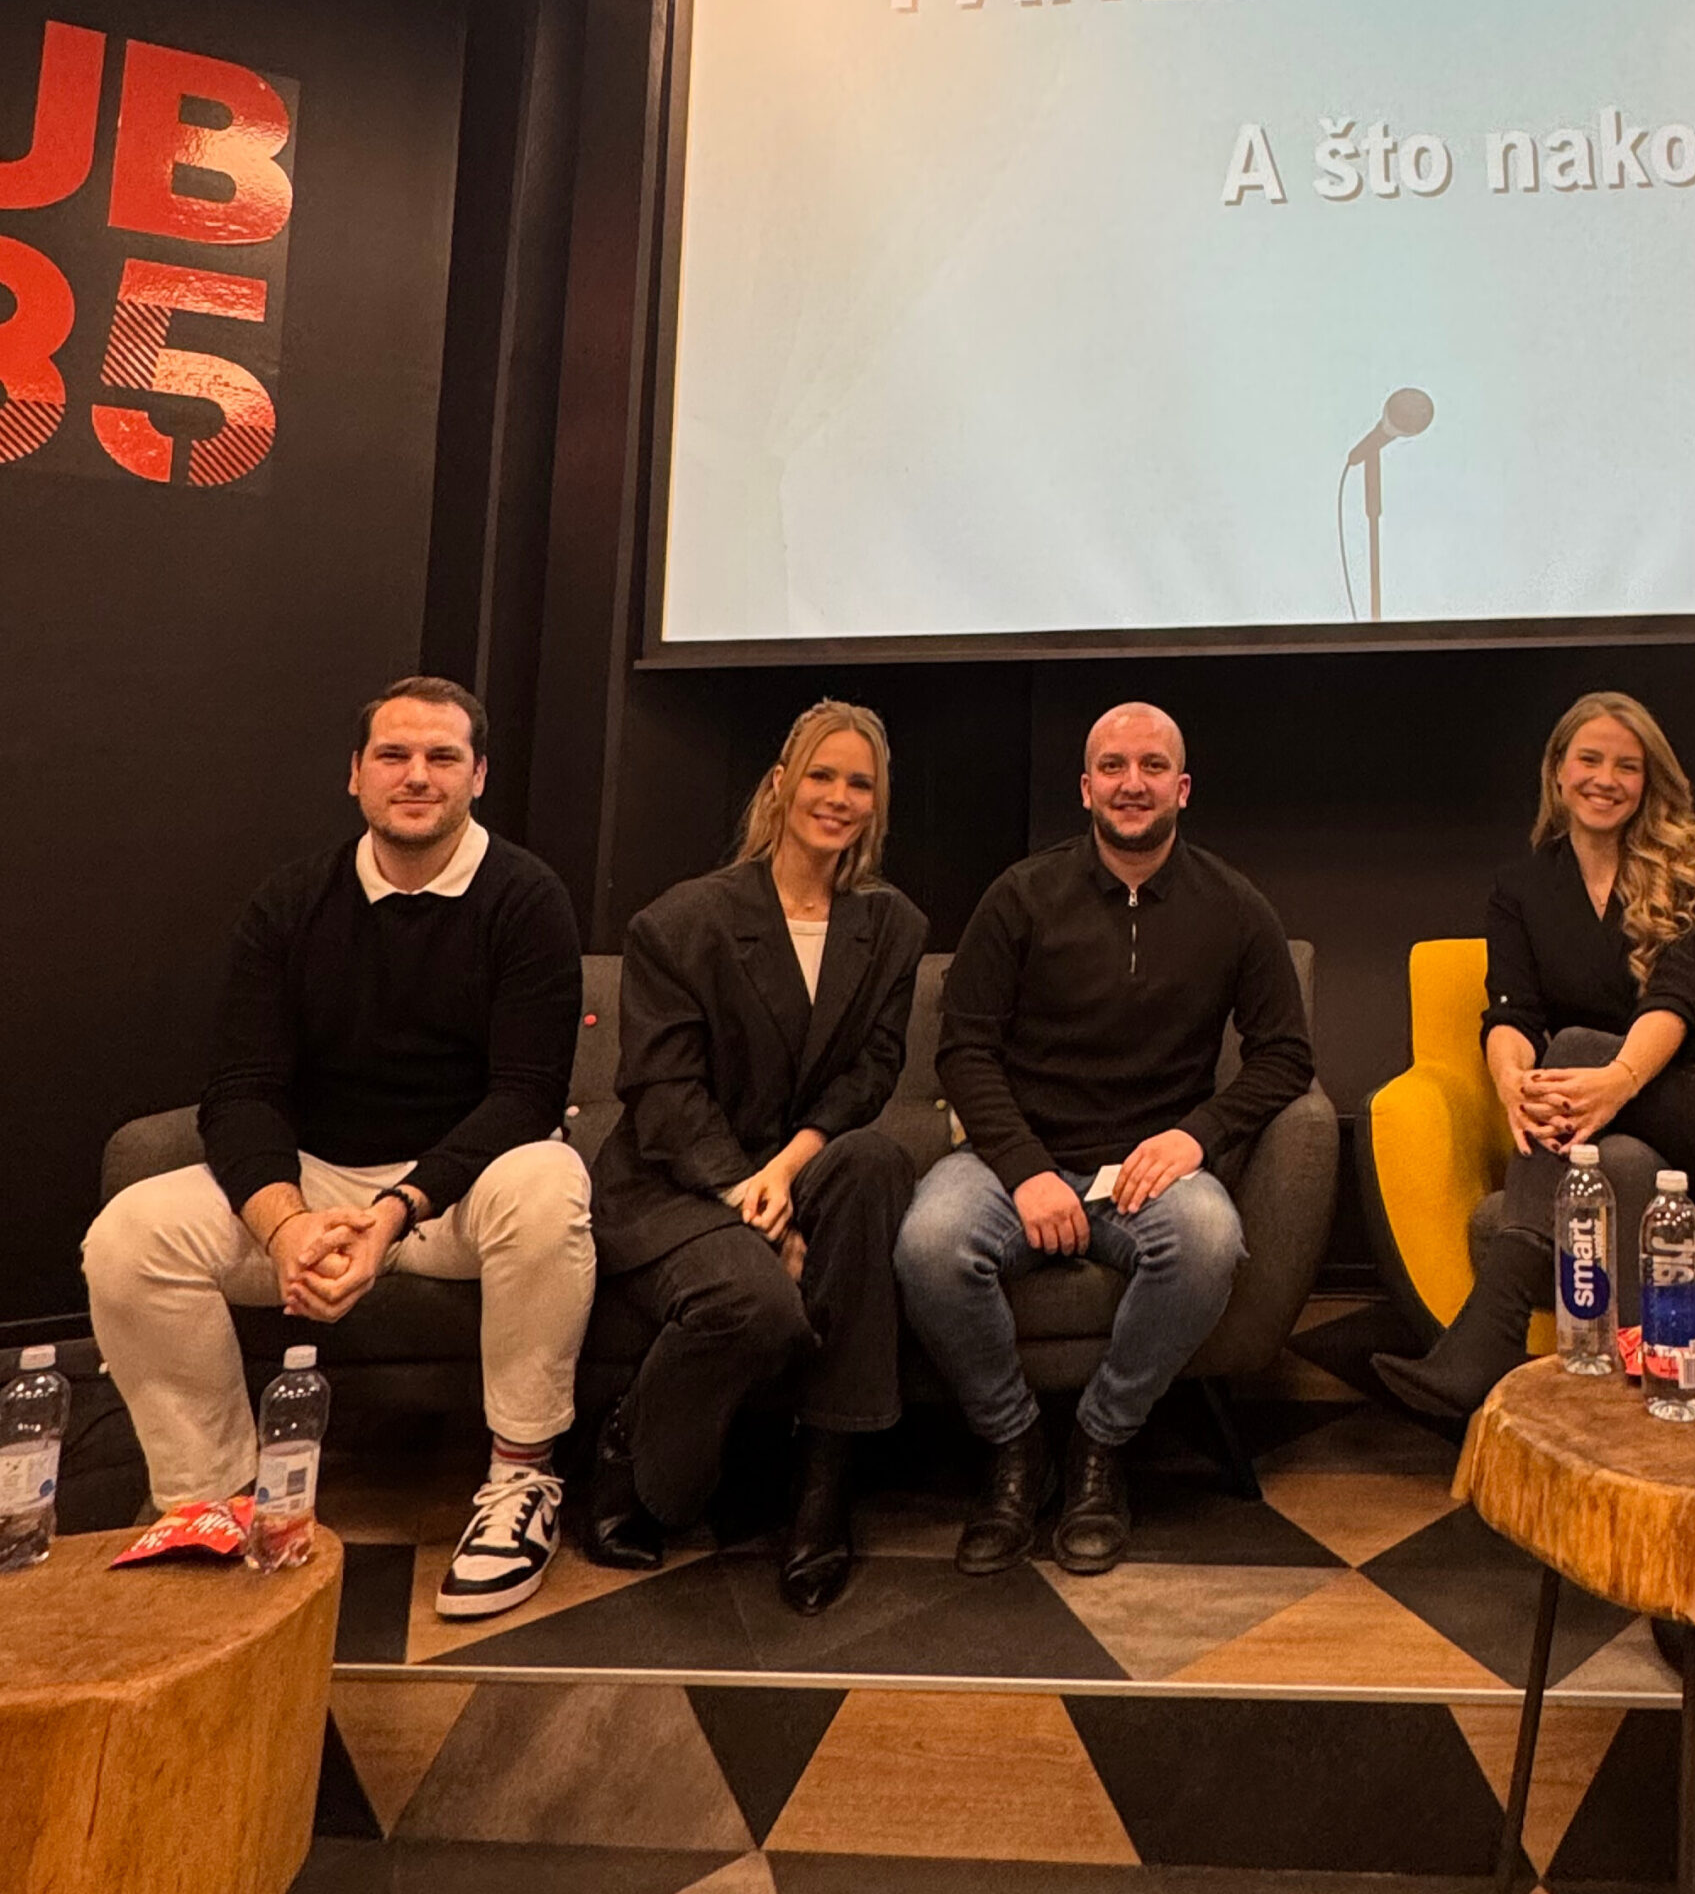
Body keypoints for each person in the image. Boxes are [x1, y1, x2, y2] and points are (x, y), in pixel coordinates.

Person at [85, 677, 593, 1618]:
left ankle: (521, 1479)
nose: (417, 775)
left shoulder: (527, 898)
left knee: (549, 1180)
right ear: (354, 773)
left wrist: (394, 1213)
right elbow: (240, 1093)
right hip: (312, 1184)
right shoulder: (288, 905)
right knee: (129, 1233)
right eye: (393, 755)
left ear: (478, 775)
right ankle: (214, 1502)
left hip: (455, 1193)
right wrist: (284, 1230)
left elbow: (526, 1096)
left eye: (443, 757)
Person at [895, 703, 1313, 1578]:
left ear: (1183, 788)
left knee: (1208, 1239)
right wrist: (1025, 1170)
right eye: (1114, 767)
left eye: (1153, 766)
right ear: (1086, 787)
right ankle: (1015, 1446)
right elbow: (962, 1049)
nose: (1133, 783)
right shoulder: (1019, 896)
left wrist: (1199, 1137)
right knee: (931, 1245)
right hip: (1014, 1158)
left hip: (1147, 1168)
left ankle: (1098, 1443)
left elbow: (1285, 1058)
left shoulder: (1235, 907)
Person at [1373, 691, 1695, 1419]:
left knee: (1571, 1048)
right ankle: (1625, 1407)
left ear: (1648, 783)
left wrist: (1617, 1079)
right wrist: (1513, 1083)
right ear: (1557, 771)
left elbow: (1675, 1001)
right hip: (1624, 1141)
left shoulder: (1689, 870)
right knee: (1619, 1167)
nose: (1606, 779)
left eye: (1627, 766)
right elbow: (1510, 1010)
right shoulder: (1522, 888)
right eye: (1590, 759)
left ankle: (1488, 1335)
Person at [584, 701, 926, 1613]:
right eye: (821, 775)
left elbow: (871, 1071)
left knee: (877, 1166)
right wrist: (748, 1192)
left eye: (860, 784)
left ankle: (824, 1489)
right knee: (757, 1302)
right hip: (675, 1183)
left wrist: (789, 1170)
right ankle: (634, 1457)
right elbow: (663, 1095)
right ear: (780, 786)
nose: (838, 798)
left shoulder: (891, 925)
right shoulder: (681, 922)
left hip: (793, 1170)